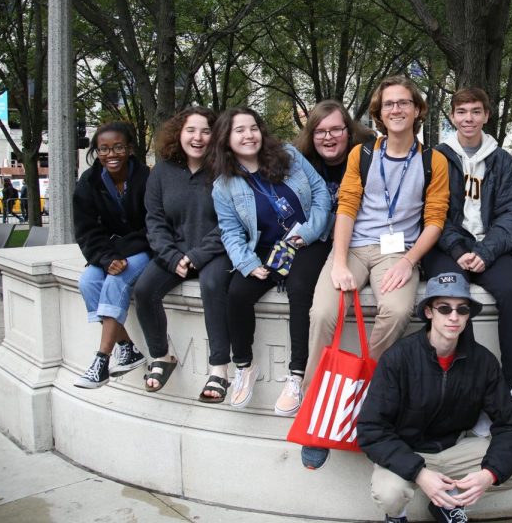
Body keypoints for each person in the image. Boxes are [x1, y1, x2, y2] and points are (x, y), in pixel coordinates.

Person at [302, 75, 450, 469]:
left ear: (417, 110)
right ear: (378, 113)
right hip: (353, 248)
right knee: (323, 312)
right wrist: (337, 262)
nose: (396, 109)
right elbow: (346, 207)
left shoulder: (432, 160)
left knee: (400, 310)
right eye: (388, 104)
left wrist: (406, 261)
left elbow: (434, 220)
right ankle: (315, 402)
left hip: (398, 252)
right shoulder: (362, 155)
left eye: (404, 102)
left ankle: (365, 394)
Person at [358, 272, 512, 523]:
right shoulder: (399, 358)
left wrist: (488, 475)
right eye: (444, 308)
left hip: (456, 450)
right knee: (389, 493)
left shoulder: (482, 361)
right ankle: (397, 516)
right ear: (429, 312)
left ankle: (448, 503)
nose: (454, 317)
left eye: (462, 310)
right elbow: (370, 429)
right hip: (409, 451)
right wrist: (419, 473)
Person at [421, 88, 512, 435]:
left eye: (475, 112)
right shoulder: (438, 157)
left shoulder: (503, 160)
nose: (468, 119)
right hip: (448, 247)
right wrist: (459, 251)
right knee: (454, 302)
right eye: (461, 112)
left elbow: (511, 216)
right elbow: (433, 212)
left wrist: (485, 252)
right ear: (452, 117)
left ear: (487, 115)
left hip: (491, 246)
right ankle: (469, 399)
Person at [210, 107, 330, 409]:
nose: (249, 135)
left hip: (307, 238)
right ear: (226, 138)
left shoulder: (288, 154)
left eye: (253, 127)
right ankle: (244, 367)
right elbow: (231, 232)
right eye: (239, 130)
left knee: (300, 289)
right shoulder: (223, 185)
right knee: (237, 293)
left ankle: (296, 375)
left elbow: (320, 193)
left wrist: (311, 232)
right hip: (265, 246)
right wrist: (248, 263)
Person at [272, 100, 373, 416]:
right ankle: (298, 372)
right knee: (299, 283)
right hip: (318, 236)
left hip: (362, 238)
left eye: (335, 130)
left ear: (348, 130)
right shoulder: (299, 163)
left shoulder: (368, 155)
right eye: (320, 131)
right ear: (310, 134)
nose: (328, 138)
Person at [133, 107, 234, 400]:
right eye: (191, 130)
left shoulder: (225, 170)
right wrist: (171, 256)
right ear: (179, 134)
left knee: (213, 286)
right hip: (174, 252)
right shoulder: (162, 172)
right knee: (143, 290)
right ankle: (162, 358)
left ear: (216, 136)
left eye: (206, 131)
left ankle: (219, 370)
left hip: (215, 252)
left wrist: (199, 255)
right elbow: (154, 220)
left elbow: (232, 221)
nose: (198, 137)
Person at [72, 122, 151, 388]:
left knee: (117, 281)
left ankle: (101, 361)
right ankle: (127, 347)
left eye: (118, 147)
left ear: (129, 149)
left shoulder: (146, 178)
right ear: (96, 151)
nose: (111, 154)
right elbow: (86, 230)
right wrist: (107, 258)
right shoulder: (89, 182)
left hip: (142, 250)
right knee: (88, 281)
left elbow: (153, 225)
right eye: (103, 149)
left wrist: (121, 255)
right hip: (108, 252)